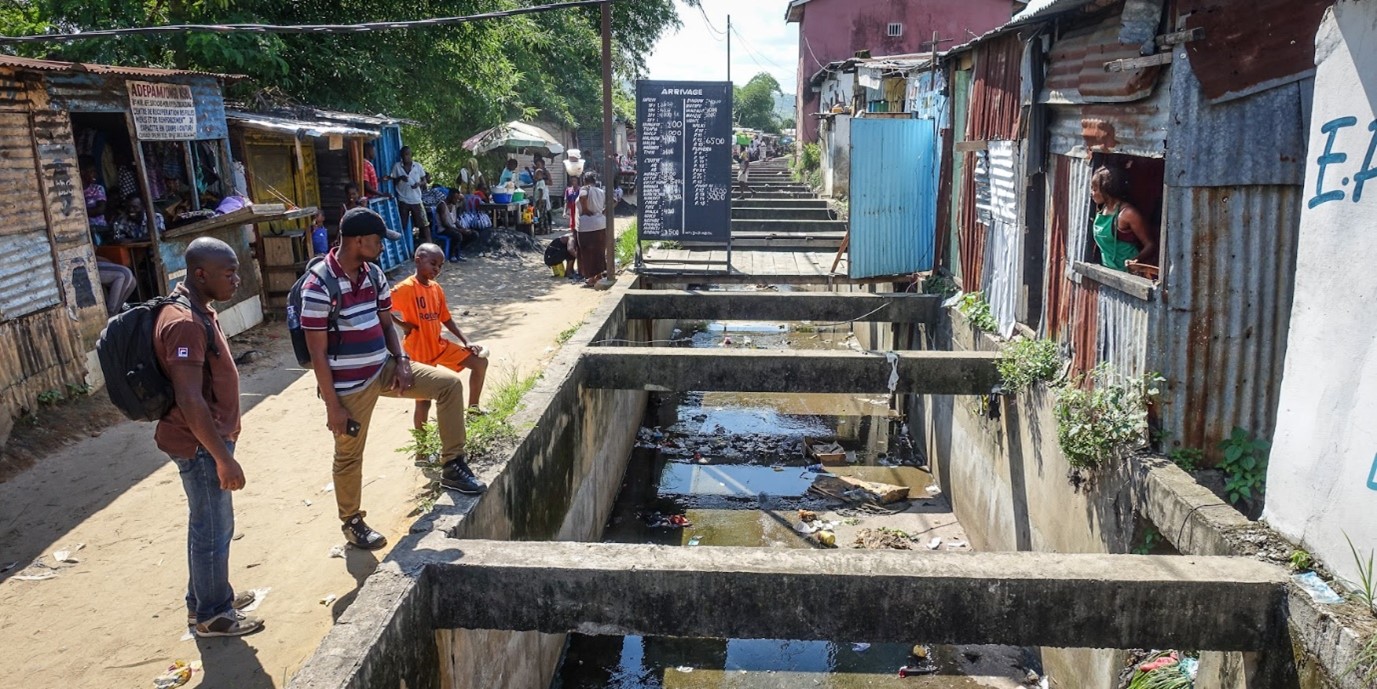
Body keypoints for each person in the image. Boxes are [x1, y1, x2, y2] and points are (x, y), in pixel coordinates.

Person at [300, 208, 486, 551]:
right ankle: (352, 521)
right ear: (358, 241)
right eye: (378, 240)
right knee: (349, 456)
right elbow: (317, 355)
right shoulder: (319, 285)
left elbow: (387, 324)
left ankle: (452, 465)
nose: (383, 247)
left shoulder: (373, 274)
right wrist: (333, 406)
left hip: (383, 368)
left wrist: (401, 360)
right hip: (349, 386)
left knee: (448, 385)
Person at [155, 236, 262, 637]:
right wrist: (223, 457)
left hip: (206, 440)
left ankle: (202, 600)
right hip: (201, 444)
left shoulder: (197, 309)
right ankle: (214, 615)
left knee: (207, 525)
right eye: (229, 272)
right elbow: (189, 398)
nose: (237, 278)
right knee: (214, 528)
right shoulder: (184, 322)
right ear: (200, 274)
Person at [391, 244, 490, 435]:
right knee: (424, 401)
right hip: (418, 350)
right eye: (433, 264)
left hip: (437, 345)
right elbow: (382, 306)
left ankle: (473, 410)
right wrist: (403, 325)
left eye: (440, 266)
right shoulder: (406, 288)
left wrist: (466, 340)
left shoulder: (436, 288)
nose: (436, 269)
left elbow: (445, 317)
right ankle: (422, 449)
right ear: (418, 261)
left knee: (479, 363)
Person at [1089, 166, 1157, 274]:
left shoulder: (1128, 214)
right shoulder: (1102, 209)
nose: (1091, 193)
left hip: (1128, 274)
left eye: (1094, 189)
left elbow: (1150, 245)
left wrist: (1136, 260)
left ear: (1107, 189)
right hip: (1107, 271)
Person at [391, 146, 432, 244]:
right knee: (403, 224)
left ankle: (430, 244)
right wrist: (400, 178)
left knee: (424, 224)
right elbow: (393, 181)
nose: (406, 157)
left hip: (416, 199)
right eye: (404, 155)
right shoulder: (397, 166)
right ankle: (403, 245)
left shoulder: (417, 166)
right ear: (401, 156)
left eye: (408, 154)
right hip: (403, 199)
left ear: (411, 155)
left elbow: (424, 180)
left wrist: (419, 184)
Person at [576, 171, 607, 288]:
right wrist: (602, 213)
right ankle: (598, 275)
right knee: (599, 252)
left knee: (587, 252)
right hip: (600, 224)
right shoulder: (601, 191)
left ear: (585, 180)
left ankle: (590, 278)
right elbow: (613, 200)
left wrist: (585, 209)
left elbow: (582, 197)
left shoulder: (585, 189)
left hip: (586, 225)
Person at [435, 189, 476, 262]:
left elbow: (455, 221)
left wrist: (463, 229)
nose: (457, 201)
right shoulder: (442, 205)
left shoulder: (453, 205)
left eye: (457, 199)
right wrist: (460, 230)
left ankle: (458, 251)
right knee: (458, 235)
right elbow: (445, 224)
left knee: (473, 234)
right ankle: (452, 255)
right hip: (443, 229)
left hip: (452, 228)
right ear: (450, 196)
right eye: (455, 198)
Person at [81, 156, 109, 240]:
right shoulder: (77, 191)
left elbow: (100, 210)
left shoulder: (97, 188)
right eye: (91, 172)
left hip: (99, 228)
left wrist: (81, 213)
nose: (94, 174)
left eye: (95, 172)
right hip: (84, 228)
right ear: (82, 173)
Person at [533, 169, 552, 234]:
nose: (535, 176)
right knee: (544, 215)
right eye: (535, 174)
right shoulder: (539, 182)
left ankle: (541, 229)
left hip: (540, 200)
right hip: (542, 200)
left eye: (537, 174)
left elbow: (541, 192)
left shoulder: (541, 182)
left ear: (541, 175)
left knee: (540, 216)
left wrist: (540, 202)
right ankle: (546, 229)